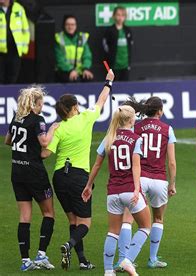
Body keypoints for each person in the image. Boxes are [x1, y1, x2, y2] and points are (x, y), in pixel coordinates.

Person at [41, 69, 115, 270]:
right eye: (77, 105)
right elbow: (101, 101)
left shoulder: (58, 127)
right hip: (78, 176)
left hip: (59, 177)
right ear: (73, 107)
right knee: (85, 223)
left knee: (72, 220)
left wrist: (48, 132)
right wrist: (108, 82)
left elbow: (45, 153)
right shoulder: (85, 119)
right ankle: (68, 245)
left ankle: (82, 260)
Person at [82, 105, 150, 276]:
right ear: (131, 120)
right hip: (129, 190)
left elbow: (97, 164)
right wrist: (136, 189)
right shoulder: (136, 139)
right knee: (145, 226)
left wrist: (89, 185)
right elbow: (136, 166)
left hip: (112, 192)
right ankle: (127, 260)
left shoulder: (109, 138)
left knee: (113, 232)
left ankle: (108, 271)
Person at [113, 96, 176, 270]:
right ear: (160, 111)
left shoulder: (136, 127)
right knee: (158, 218)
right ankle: (153, 259)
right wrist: (172, 183)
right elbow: (171, 162)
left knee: (128, 219)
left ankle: (122, 259)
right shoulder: (167, 129)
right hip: (159, 179)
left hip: (140, 178)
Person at [5, 86, 58, 271]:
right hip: (34, 173)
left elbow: (7, 141)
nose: (43, 106)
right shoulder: (38, 120)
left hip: (17, 172)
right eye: (41, 103)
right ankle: (41, 255)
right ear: (36, 103)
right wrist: (52, 129)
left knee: (24, 217)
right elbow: (44, 142)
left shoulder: (16, 118)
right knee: (49, 213)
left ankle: (25, 261)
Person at [55, 15, 94, 82]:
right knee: (74, 79)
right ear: (64, 26)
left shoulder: (82, 38)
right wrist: (71, 70)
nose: (70, 27)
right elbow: (60, 59)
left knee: (88, 77)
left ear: (76, 26)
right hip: (64, 71)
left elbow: (87, 56)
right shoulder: (60, 39)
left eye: (72, 24)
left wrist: (85, 68)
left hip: (79, 71)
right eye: (68, 24)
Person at [0, 0, 29, 84]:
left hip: (15, 51)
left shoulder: (18, 8)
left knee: (12, 78)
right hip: (0, 52)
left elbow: (25, 30)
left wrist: (24, 48)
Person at [103, 6, 133, 81]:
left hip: (125, 65)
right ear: (114, 16)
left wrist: (129, 63)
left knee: (125, 87)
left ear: (125, 17)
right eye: (118, 15)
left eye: (123, 15)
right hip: (113, 65)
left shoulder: (127, 30)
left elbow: (130, 46)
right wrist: (110, 57)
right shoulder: (109, 30)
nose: (120, 17)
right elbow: (105, 46)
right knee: (112, 86)